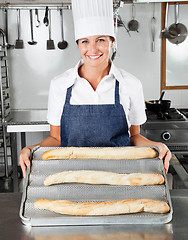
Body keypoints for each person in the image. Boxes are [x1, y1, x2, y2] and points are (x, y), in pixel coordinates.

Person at [19, 0, 171, 178]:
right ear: (78, 44)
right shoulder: (60, 84)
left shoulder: (131, 84)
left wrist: (157, 145)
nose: (92, 49)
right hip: (72, 177)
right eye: (85, 41)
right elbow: (56, 139)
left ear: (112, 41)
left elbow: (133, 137)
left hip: (120, 177)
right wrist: (30, 149)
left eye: (100, 40)